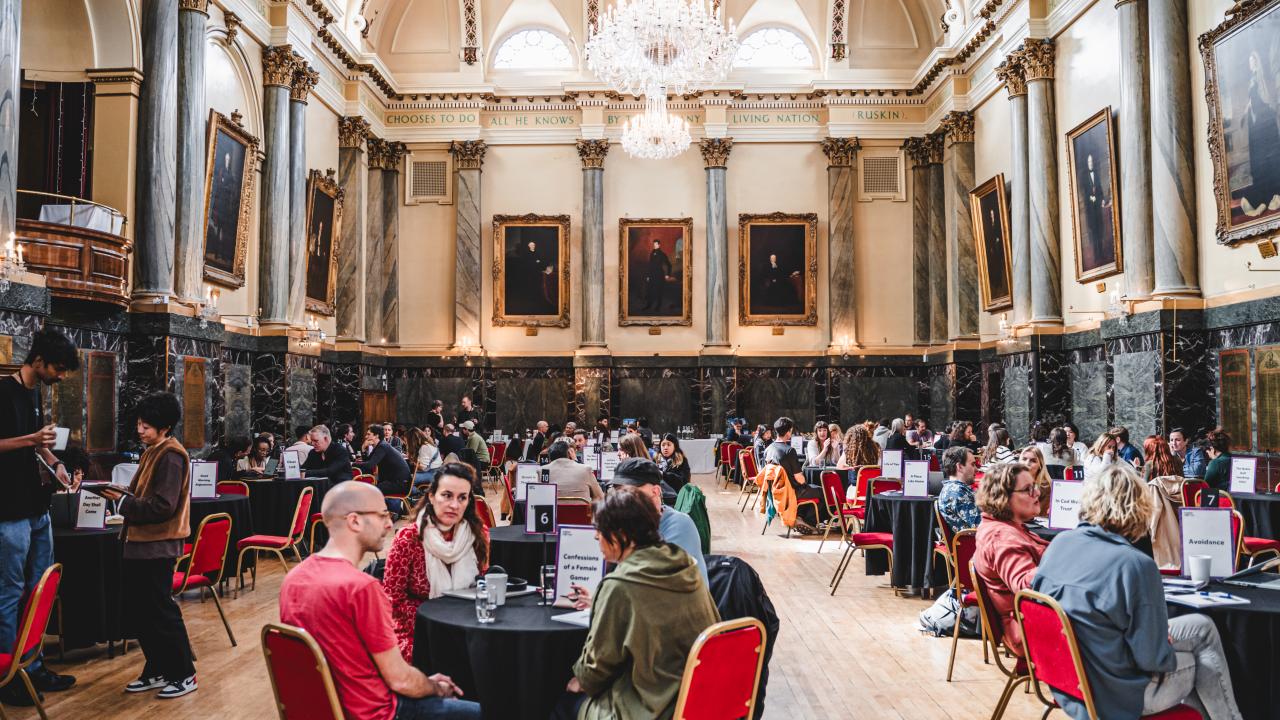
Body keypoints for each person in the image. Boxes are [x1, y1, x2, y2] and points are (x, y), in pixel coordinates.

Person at [1032, 464, 1243, 720]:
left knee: (1201, 627)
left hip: (1068, 683)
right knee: (1200, 658)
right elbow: (1151, 660)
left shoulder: (1058, 545)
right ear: (1139, 509)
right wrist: (1162, 645)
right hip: (1116, 696)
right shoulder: (1135, 565)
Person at [279, 481, 481, 720]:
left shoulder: (294, 578)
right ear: (354, 521)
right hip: (378, 712)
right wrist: (436, 687)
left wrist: (423, 681)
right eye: (383, 515)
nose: (388, 524)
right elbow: (401, 679)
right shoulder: (361, 588)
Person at [553, 489, 718, 720]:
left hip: (653, 707)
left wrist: (578, 680)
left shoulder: (620, 584)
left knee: (560, 703)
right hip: (700, 698)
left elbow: (596, 668)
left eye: (599, 530)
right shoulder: (686, 567)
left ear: (620, 535)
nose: (595, 538)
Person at [98, 392, 197, 699]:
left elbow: (163, 506)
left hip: (158, 544)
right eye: (139, 423)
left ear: (164, 426)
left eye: (146, 425)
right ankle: (156, 668)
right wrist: (120, 493)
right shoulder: (153, 449)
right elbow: (144, 493)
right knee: (141, 612)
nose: (140, 430)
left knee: (161, 611)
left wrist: (124, 502)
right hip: (140, 543)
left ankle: (184, 673)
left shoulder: (170, 454)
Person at [0, 329, 79, 705]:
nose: (60, 376)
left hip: (37, 508)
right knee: (10, 593)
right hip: (8, 511)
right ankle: (8, 676)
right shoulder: (3, 391)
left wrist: (57, 463)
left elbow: (40, 446)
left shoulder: (35, 393)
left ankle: (33, 665)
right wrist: (33, 441)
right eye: (58, 368)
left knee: (39, 589)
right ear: (38, 360)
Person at [383, 464, 490, 662]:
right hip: (417, 630)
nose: (454, 505)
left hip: (467, 625)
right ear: (432, 496)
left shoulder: (478, 534)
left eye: (462, 497)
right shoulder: (409, 538)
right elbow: (393, 601)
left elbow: (481, 586)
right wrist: (438, 621)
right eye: (447, 495)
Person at [973, 463, 1049, 657]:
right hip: (1030, 631)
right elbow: (1026, 586)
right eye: (1027, 489)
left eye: (1035, 486)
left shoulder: (1006, 527)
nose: (1037, 493)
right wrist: (1064, 553)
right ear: (1003, 499)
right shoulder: (1002, 537)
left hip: (1036, 621)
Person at [596, 458, 707, 584]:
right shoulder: (628, 523)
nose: (622, 498)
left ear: (655, 491)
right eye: (617, 491)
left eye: (629, 492)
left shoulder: (680, 525)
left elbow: (653, 580)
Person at [765, 417, 826, 530]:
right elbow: (800, 479)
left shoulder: (768, 449)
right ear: (788, 432)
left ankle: (800, 517)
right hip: (791, 492)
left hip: (775, 492)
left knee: (813, 489)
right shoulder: (789, 451)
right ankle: (807, 521)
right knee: (822, 492)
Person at [357, 424, 412, 497]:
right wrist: (363, 449)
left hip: (400, 484)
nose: (366, 437)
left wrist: (352, 464)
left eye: (368, 434)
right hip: (395, 481)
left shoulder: (383, 446)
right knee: (369, 489)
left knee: (369, 492)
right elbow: (368, 462)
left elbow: (370, 465)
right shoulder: (380, 445)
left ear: (376, 435)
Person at [938, 446, 980, 532]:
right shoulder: (957, 493)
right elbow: (980, 525)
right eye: (972, 464)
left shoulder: (954, 489)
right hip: (975, 543)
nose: (976, 469)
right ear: (959, 467)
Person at [1018, 445, 1053, 516]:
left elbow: (1040, 515)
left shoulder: (1046, 487)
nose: (1027, 463)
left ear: (1040, 465)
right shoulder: (1010, 482)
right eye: (1024, 459)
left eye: (1033, 461)